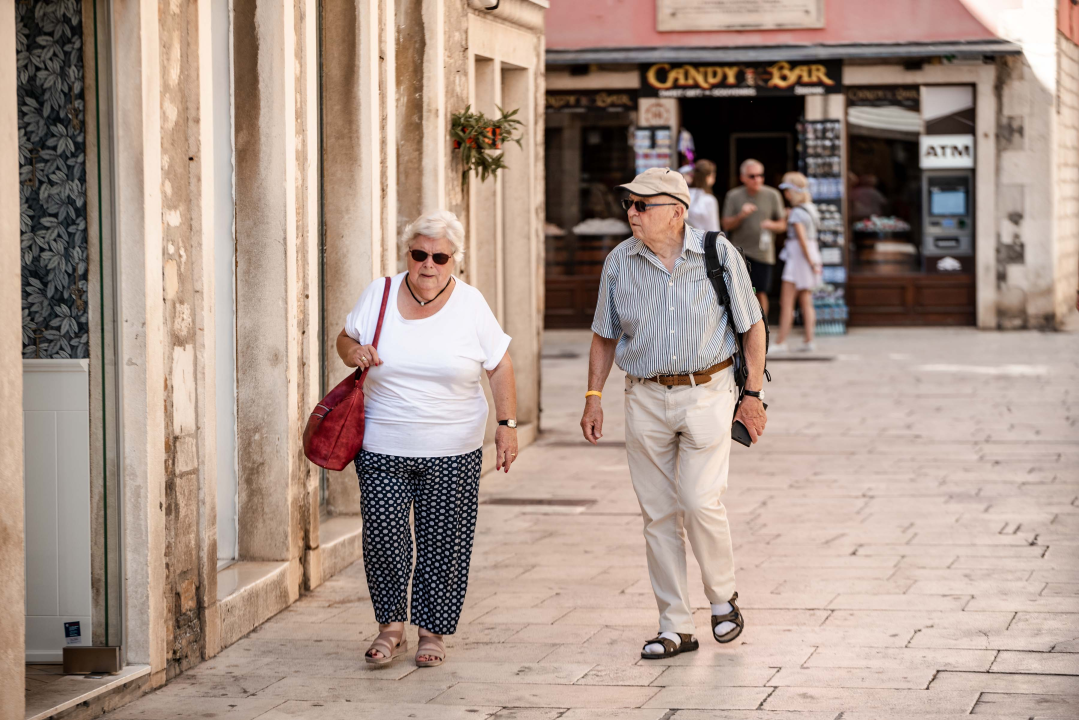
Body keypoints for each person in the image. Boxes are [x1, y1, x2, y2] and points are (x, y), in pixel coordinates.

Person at [579, 167, 768, 660]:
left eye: (643, 205)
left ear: (677, 212)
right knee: (657, 514)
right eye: (630, 205)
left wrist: (752, 395)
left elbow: (752, 327)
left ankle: (723, 597)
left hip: (708, 391)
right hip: (643, 396)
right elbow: (604, 333)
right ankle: (675, 626)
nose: (632, 213)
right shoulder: (619, 261)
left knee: (700, 499)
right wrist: (593, 397)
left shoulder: (717, 253)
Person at [337, 210, 519, 668]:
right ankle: (389, 627)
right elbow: (344, 338)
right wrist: (354, 351)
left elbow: (500, 365)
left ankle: (432, 634)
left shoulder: (471, 304)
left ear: (454, 259)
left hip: (452, 448)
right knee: (383, 539)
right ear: (408, 254)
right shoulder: (379, 293)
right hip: (381, 442)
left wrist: (507, 426)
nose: (429, 264)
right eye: (420, 254)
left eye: (440, 256)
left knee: (444, 543)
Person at [722, 159, 786, 317]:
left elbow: (783, 224)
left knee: (760, 292)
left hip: (763, 253)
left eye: (760, 175)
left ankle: (762, 328)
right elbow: (726, 225)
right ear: (742, 177)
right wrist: (741, 215)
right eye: (752, 176)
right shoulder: (734, 195)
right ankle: (743, 326)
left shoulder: (772, 194)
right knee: (741, 292)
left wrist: (772, 225)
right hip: (739, 253)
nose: (757, 179)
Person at [772, 172, 823, 353]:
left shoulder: (797, 213)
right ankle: (809, 340)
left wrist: (809, 261)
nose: (786, 195)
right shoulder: (811, 209)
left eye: (787, 190)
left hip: (799, 259)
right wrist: (813, 263)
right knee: (805, 300)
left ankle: (780, 342)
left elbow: (801, 239)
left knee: (787, 302)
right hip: (809, 256)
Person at [687, 160, 720, 232]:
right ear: (708, 177)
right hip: (703, 240)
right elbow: (713, 228)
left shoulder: (685, 195)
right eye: (713, 176)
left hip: (685, 240)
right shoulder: (709, 200)